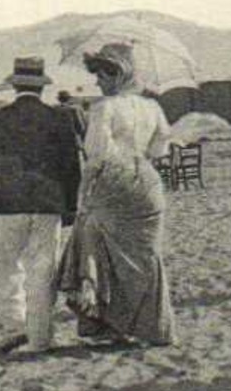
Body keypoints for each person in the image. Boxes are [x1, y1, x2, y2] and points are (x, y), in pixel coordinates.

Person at [57, 42, 177, 346]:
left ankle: (113, 323)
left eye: (101, 75)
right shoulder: (153, 107)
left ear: (115, 76)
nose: (97, 81)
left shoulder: (104, 108)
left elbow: (96, 153)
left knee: (106, 253)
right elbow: (160, 148)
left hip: (114, 182)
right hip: (147, 183)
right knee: (144, 257)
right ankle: (149, 327)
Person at [0, 57, 84, 355]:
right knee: (43, 269)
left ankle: (14, 326)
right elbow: (72, 167)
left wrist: (4, 163)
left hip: (8, 203)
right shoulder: (60, 119)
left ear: (15, 85)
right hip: (49, 202)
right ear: (41, 87)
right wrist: (71, 206)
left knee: (5, 266)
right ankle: (41, 337)